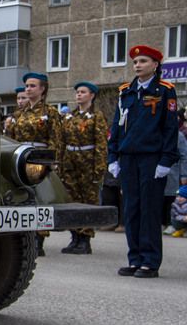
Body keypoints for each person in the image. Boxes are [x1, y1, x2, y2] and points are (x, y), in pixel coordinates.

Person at [108, 44, 180, 279]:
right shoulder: (126, 91)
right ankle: (135, 258)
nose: (138, 65)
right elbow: (117, 125)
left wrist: (166, 159)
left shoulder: (165, 91)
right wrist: (113, 156)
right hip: (128, 158)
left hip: (151, 158)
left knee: (149, 210)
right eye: (135, 62)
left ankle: (150, 261)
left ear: (155, 65)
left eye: (143, 61)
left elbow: (170, 128)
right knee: (131, 210)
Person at [12, 71, 63, 256]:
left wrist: (53, 162)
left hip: (40, 159)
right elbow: (12, 137)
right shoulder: (20, 113)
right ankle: (26, 236)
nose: (28, 89)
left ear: (42, 89)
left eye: (33, 86)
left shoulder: (50, 112)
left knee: (41, 199)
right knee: (23, 198)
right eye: (27, 86)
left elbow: (56, 139)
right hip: (21, 159)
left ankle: (39, 238)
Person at [58, 81, 108, 254]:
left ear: (92, 95)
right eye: (77, 92)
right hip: (70, 163)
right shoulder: (69, 117)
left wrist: (99, 169)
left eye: (83, 92)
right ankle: (75, 237)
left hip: (87, 163)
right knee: (72, 200)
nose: (79, 95)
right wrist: (60, 164)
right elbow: (62, 142)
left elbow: (101, 144)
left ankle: (85, 239)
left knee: (88, 201)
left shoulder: (96, 116)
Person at [161, 109, 187, 234]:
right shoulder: (158, 133)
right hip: (160, 171)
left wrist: (184, 174)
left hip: (174, 172)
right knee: (160, 198)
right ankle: (161, 222)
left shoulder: (179, 136)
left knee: (172, 199)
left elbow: (184, 156)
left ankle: (171, 223)